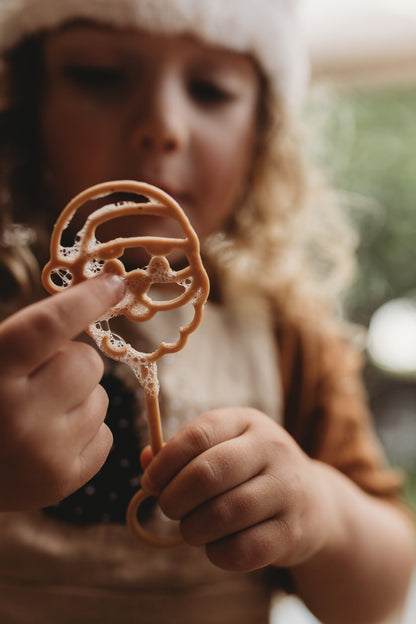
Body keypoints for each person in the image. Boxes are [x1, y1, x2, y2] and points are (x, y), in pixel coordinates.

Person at [0, 1, 414, 622]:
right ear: (25, 107)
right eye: (100, 76)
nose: (163, 125)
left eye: (211, 90)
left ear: (262, 134)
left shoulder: (284, 335)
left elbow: (377, 598)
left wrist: (321, 509)